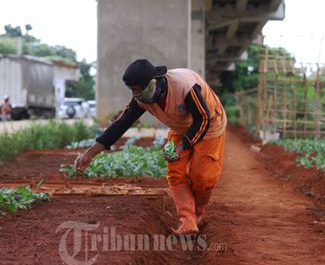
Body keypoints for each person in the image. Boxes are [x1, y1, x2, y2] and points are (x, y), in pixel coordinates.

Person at [74, 59, 227, 234]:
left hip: (210, 126)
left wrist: (183, 146)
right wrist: (90, 153)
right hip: (179, 127)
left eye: (138, 89)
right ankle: (188, 222)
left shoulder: (185, 87)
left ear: (154, 82)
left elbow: (203, 119)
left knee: (202, 177)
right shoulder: (142, 99)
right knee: (175, 172)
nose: (135, 94)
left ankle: (197, 214)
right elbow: (122, 123)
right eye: (132, 90)